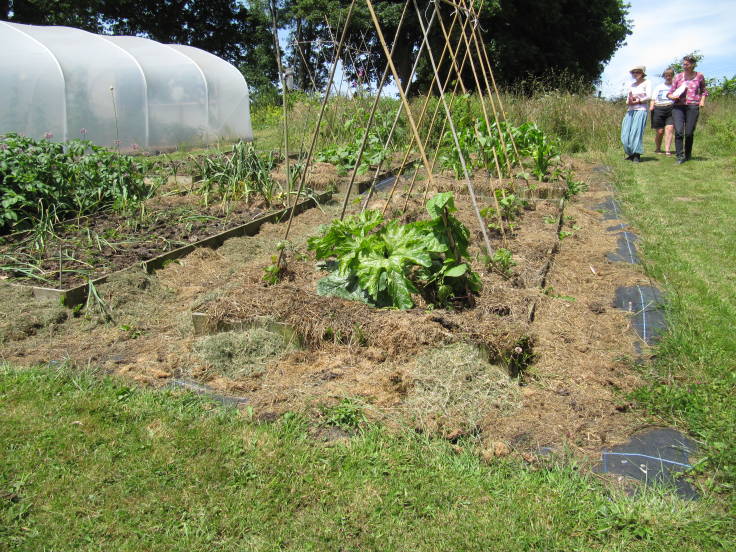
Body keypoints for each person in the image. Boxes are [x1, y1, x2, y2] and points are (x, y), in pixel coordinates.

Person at [668, 55, 708, 164]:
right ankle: (680, 156)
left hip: (693, 106)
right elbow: (670, 93)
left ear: (693, 64)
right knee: (679, 132)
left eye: (687, 64)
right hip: (678, 107)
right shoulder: (678, 77)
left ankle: (688, 154)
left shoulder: (699, 76)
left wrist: (702, 101)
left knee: (689, 132)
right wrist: (672, 96)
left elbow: (704, 91)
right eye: (684, 64)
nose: (685, 66)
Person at [621, 65, 652, 163]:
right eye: (633, 72)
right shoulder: (632, 85)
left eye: (637, 72)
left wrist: (638, 100)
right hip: (630, 110)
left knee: (636, 132)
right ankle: (630, 153)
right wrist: (629, 101)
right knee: (625, 134)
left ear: (642, 73)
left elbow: (649, 96)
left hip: (641, 109)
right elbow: (627, 99)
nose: (635, 74)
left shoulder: (647, 82)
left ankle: (636, 155)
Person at [650, 68, 675, 155]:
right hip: (659, 108)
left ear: (672, 76)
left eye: (670, 75)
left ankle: (667, 150)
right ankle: (658, 148)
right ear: (664, 76)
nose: (668, 77)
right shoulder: (658, 87)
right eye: (666, 75)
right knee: (660, 131)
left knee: (669, 129)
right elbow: (653, 99)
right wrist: (651, 107)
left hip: (671, 108)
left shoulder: (675, 86)